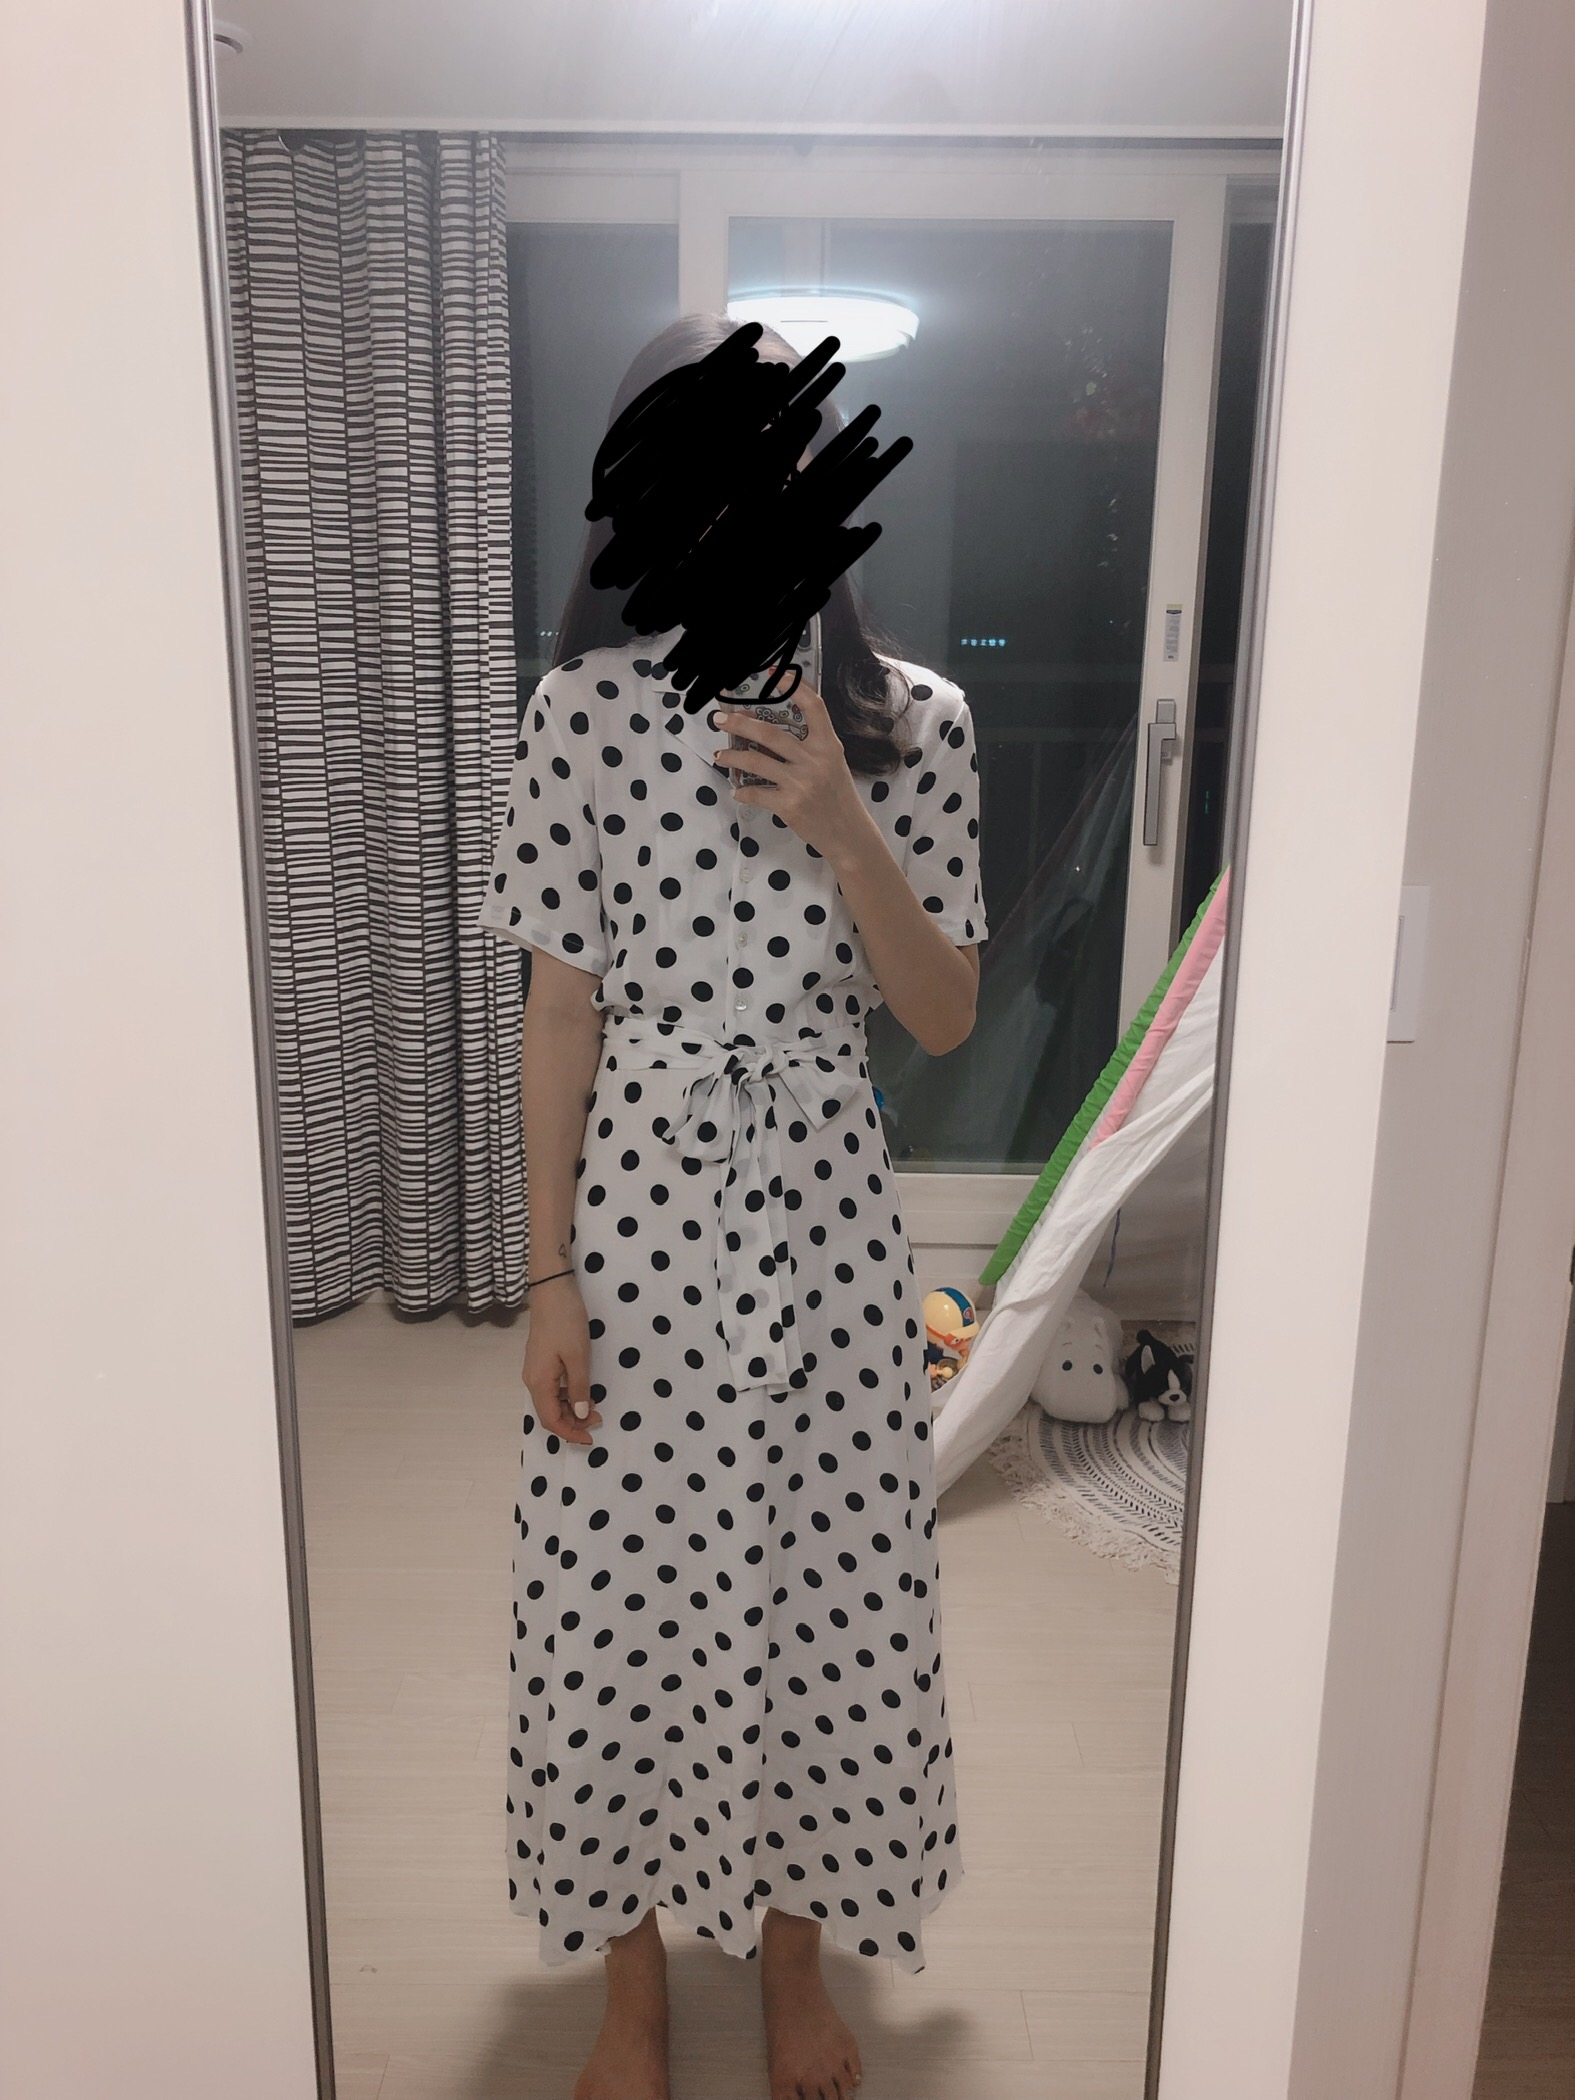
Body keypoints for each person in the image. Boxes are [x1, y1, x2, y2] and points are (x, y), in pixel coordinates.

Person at [479, 315, 987, 2100]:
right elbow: (560, 1015)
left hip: (826, 1222)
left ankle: (791, 1963)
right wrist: (545, 1275)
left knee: (823, 1588)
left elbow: (942, 1015)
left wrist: (847, 820)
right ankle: (631, 1986)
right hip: (633, 1217)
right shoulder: (582, 717)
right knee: (608, 1594)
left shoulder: (921, 724)